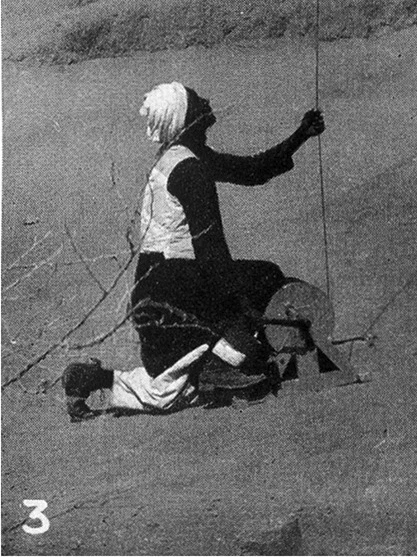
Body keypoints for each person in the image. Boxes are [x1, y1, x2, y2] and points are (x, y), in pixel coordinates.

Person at [62, 83, 324, 419]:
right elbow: (212, 251)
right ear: (185, 118)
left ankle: (90, 378)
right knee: (265, 278)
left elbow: (252, 170)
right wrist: (245, 308)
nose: (207, 102)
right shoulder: (190, 171)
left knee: (167, 393)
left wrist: (300, 135)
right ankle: (225, 361)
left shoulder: (182, 158)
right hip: (175, 290)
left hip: (157, 292)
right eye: (197, 101)